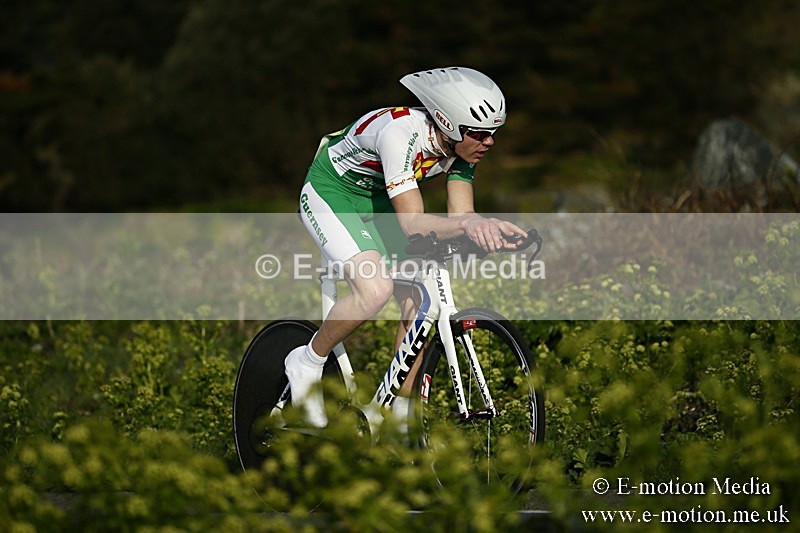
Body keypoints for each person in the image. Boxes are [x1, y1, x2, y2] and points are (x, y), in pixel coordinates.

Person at [286, 66, 527, 427]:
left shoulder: (463, 147)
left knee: (421, 298)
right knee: (375, 289)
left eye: (493, 133)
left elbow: (462, 215)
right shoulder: (400, 133)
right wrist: (468, 225)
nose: (489, 142)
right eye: (480, 133)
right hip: (332, 192)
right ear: (447, 123)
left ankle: (396, 418)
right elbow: (413, 224)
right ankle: (307, 359)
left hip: (379, 198)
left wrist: (488, 232)